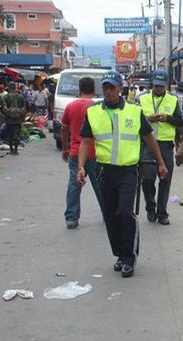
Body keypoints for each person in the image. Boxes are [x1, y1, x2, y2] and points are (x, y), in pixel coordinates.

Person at [77, 70, 168, 278]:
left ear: (120, 89)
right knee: (109, 215)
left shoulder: (134, 112)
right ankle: (120, 254)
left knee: (125, 213)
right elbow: (85, 141)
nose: (108, 91)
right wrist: (81, 166)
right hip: (105, 171)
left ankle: (129, 257)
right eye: (105, 87)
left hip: (128, 171)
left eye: (112, 87)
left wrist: (160, 162)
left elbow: (149, 138)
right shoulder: (93, 112)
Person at [139, 69, 183, 225]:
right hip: (148, 144)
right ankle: (150, 207)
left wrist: (168, 118)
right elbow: (134, 120)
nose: (159, 89)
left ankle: (162, 213)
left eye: (161, 86)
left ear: (166, 85)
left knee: (165, 179)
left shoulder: (172, 100)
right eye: (156, 86)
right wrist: (146, 119)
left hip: (165, 145)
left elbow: (180, 121)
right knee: (148, 178)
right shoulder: (142, 98)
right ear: (152, 84)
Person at [60, 77, 102, 229]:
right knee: (100, 185)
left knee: (74, 184)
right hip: (95, 152)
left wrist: (65, 148)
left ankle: (71, 218)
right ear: (94, 90)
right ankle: (107, 214)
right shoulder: (98, 107)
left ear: (79, 89)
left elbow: (63, 129)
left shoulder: (70, 106)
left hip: (76, 152)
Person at [4, 82, 26, 155]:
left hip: (9, 119)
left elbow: (3, 108)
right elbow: (24, 108)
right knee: (16, 135)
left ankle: (11, 149)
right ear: (15, 88)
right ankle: (16, 150)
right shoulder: (20, 97)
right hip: (18, 119)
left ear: (9, 88)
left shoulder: (6, 97)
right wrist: (23, 118)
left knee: (9, 135)